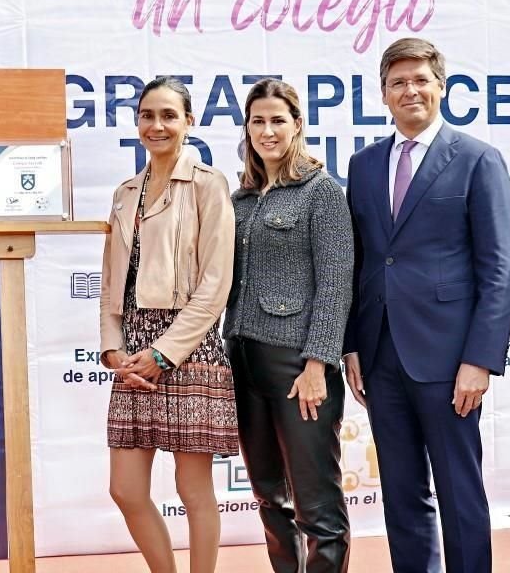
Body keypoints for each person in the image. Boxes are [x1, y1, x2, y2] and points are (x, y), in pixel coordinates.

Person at [343, 37, 510, 573]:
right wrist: (352, 345)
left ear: (441, 87)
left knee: (459, 491)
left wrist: (480, 359)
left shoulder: (477, 160)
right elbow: (359, 261)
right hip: (381, 354)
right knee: (401, 494)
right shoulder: (365, 164)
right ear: (383, 94)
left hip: (449, 360)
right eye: (398, 82)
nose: (410, 90)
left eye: (420, 79)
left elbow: (501, 267)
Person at [99, 76, 238, 573]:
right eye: (147, 115)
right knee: (126, 489)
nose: (156, 125)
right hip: (132, 350)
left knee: (192, 488)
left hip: (190, 348)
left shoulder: (208, 184)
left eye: (168, 115)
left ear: (189, 122)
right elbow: (111, 282)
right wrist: (113, 350)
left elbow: (216, 283)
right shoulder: (124, 193)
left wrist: (164, 353)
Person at [222, 78, 354, 573]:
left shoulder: (322, 193)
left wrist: (318, 363)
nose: (267, 130)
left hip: (297, 367)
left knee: (316, 504)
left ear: (298, 124)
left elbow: (337, 283)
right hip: (243, 360)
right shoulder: (242, 199)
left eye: (278, 120)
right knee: (268, 497)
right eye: (257, 121)